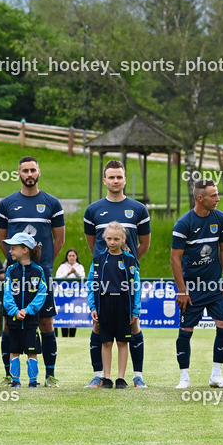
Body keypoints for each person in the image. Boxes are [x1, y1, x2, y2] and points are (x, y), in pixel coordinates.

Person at [0, 156, 65, 386]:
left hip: (41, 272)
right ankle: (9, 374)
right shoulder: (6, 204)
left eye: (33, 170)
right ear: (18, 173)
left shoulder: (52, 203)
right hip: (15, 274)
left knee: (46, 323)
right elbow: (1, 239)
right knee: (10, 321)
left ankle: (50, 375)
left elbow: (59, 239)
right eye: (25, 170)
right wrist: (17, 263)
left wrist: (42, 264)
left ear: (39, 172)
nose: (29, 174)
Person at [83, 160, 151, 382]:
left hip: (126, 279)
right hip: (102, 278)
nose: (115, 180)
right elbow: (92, 245)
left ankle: (137, 376)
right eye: (111, 177)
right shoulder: (93, 210)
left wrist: (126, 263)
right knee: (98, 326)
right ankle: (98, 376)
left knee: (133, 324)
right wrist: (106, 264)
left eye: (119, 177)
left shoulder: (139, 209)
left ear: (124, 179)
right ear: (104, 181)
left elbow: (145, 244)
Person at [169, 179, 223, 390]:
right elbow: (175, 259)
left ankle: (216, 374)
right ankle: (184, 377)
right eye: (213, 195)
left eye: (217, 194)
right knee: (186, 330)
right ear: (200, 198)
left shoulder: (220, 218)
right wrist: (182, 290)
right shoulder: (184, 224)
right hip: (192, 288)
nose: (218, 198)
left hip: (215, 286)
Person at [86, 223, 141, 389]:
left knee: (123, 342)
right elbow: (91, 284)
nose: (112, 242)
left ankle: (121, 378)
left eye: (116, 239)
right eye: (109, 238)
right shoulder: (98, 260)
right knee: (106, 342)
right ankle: (107, 377)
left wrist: (135, 309)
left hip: (124, 303)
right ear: (104, 238)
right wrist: (93, 306)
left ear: (123, 239)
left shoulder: (130, 260)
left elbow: (136, 285)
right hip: (104, 303)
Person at [2, 232, 48, 387]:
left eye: (13, 248)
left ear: (25, 249)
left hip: (30, 319)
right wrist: (15, 311)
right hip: (13, 319)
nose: (10, 251)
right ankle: (15, 381)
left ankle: (33, 382)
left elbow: (41, 293)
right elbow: (7, 293)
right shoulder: (10, 270)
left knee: (32, 351)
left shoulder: (38, 271)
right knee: (13, 350)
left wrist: (28, 310)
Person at [55, 248, 85, 338]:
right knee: (64, 315)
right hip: (63, 295)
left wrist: (75, 272)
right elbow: (58, 278)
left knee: (73, 317)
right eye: (69, 256)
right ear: (67, 257)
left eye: (73, 256)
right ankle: (64, 336)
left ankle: (72, 336)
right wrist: (68, 273)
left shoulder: (79, 267)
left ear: (76, 257)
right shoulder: (62, 267)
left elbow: (82, 278)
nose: (71, 257)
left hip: (75, 295)